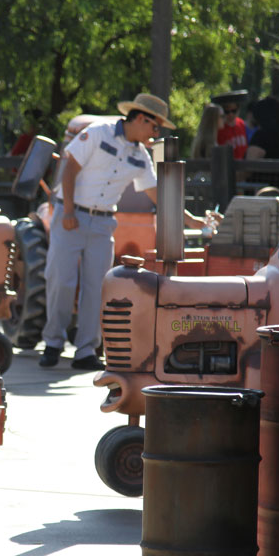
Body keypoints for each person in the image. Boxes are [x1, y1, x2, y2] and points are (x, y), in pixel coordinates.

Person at [40, 93, 171, 371]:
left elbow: (156, 193)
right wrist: (69, 212)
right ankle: (53, 342)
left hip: (102, 223)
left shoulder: (141, 156)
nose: (156, 133)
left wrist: (190, 219)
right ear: (139, 118)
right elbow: (70, 167)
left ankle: (86, 350)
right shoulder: (98, 134)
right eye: (155, 127)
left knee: (97, 287)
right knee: (60, 280)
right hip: (71, 215)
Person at [211, 90, 249, 159]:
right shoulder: (220, 128)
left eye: (233, 111)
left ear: (238, 109)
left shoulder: (241, 124)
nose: (231, 114)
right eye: (227, 111)